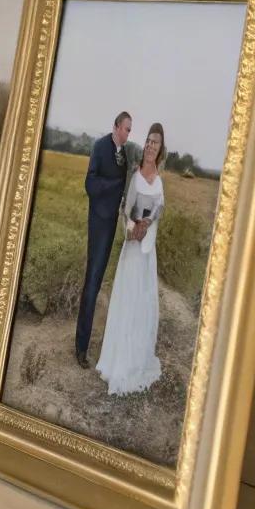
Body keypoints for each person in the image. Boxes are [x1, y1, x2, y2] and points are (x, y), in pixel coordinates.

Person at [96, 124, 166, 395]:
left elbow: (159, 211)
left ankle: (137, 359)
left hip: (147, 249)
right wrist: (131, 229)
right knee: (127, 300)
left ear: (161, 148)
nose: (150, 146)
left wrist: (149, 223)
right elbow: (125, 210)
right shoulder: (135, 175)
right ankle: (118, 362)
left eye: (156, 143)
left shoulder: (159, 179)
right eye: (148, 141)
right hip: (132, 247)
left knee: (141, 302)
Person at [74, 111, 132, 367]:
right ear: (116, 127)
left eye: (130, 131)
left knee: (98, 281)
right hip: (98, 223)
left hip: (111, 226)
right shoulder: (99, 147)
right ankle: (80, 348)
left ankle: (87, 344)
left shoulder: (126, 154)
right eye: (126, 129)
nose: (128, 134)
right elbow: (90, 185)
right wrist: (114, 185)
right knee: (92, 281)